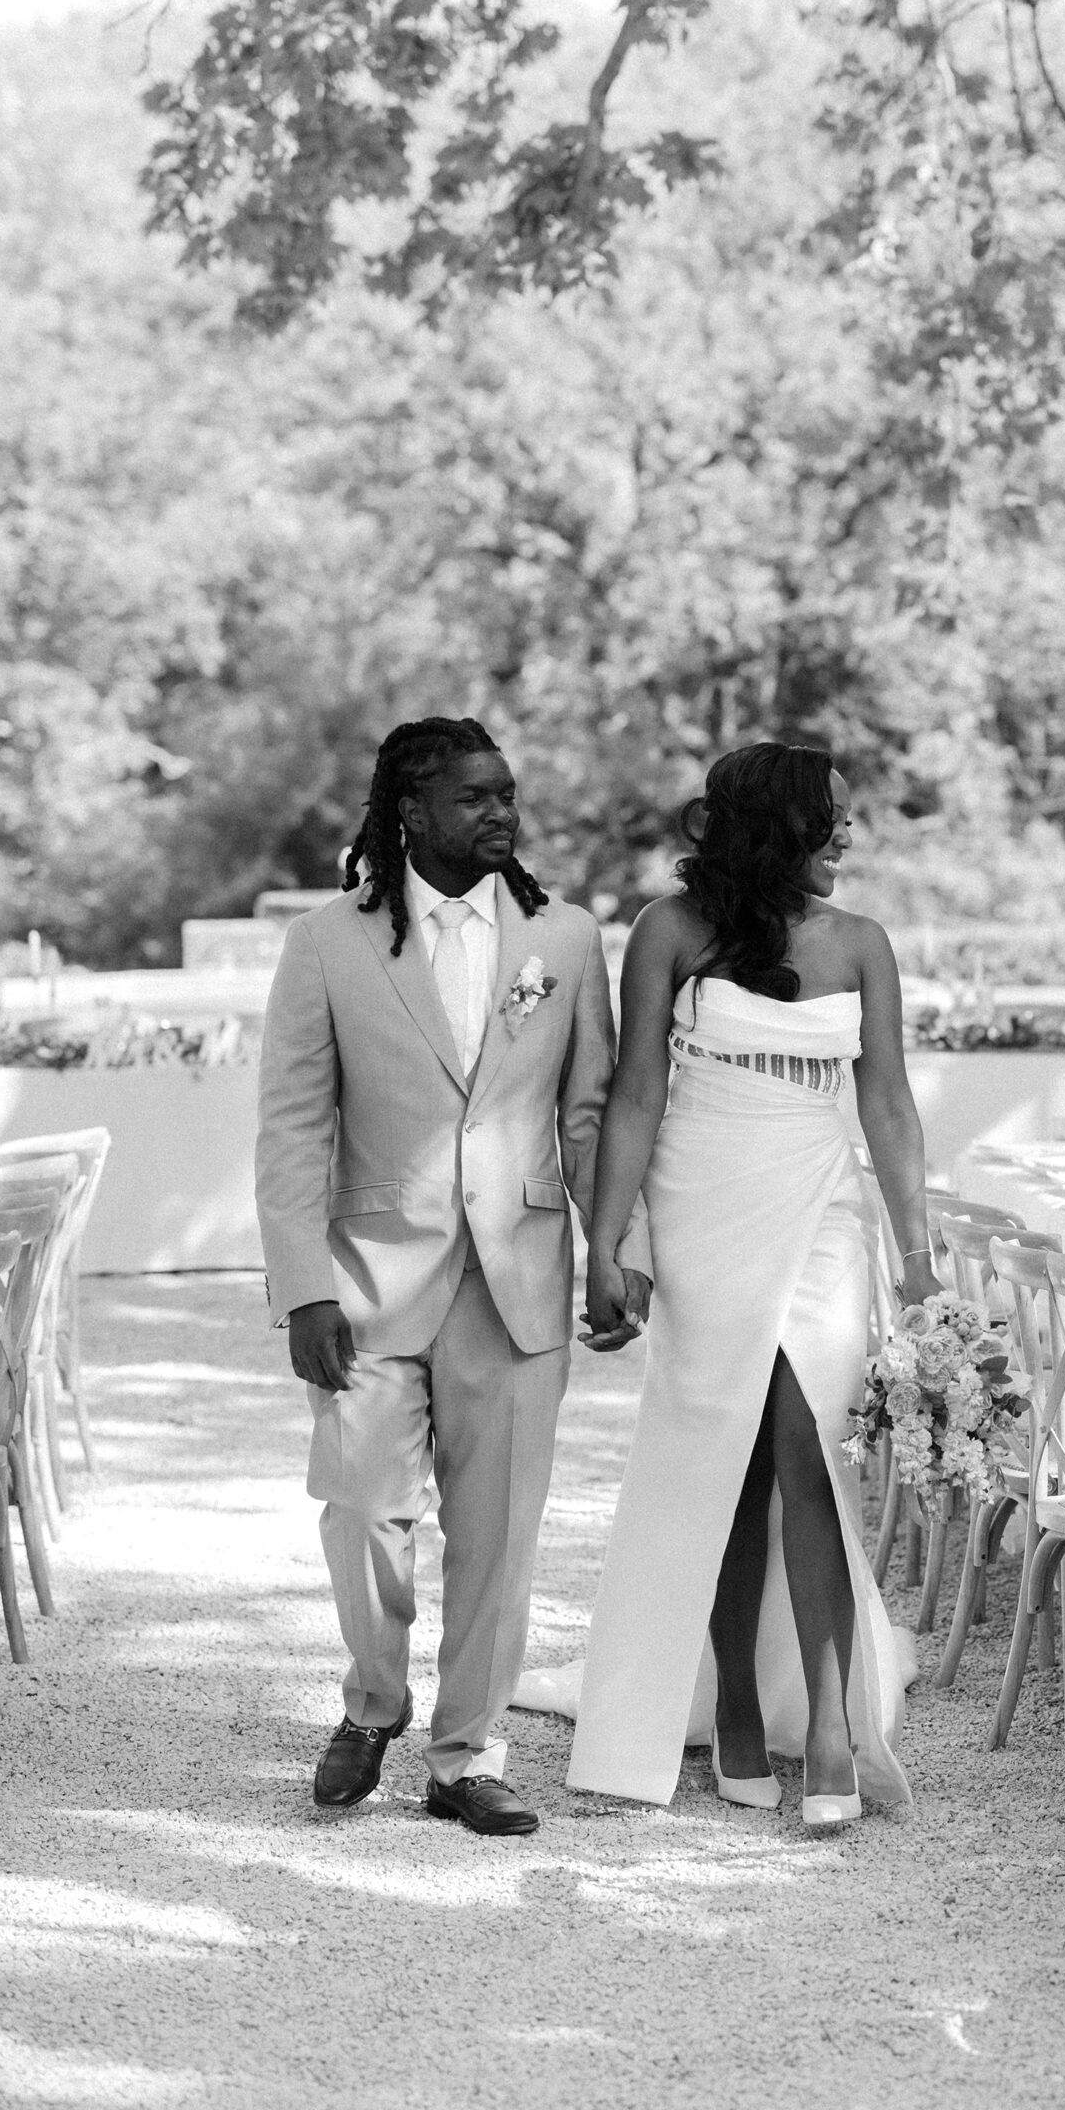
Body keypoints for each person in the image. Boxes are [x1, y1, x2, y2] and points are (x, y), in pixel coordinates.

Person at [255, 716, 649, 1835]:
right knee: (364, 1507)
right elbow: (291, 1126)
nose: (501, 815)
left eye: (508, 795)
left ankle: (465, 1756)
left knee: (499, 1535)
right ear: (410, 812)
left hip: (516, 1281)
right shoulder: (328, 942)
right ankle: (374, 1702)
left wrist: (619, 1251)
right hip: (368, 1283)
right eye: (475, 798)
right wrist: (302, 1286)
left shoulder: (564, 939)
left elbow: (585, 1115)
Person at [563, 743, 933, 1824]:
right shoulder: (670, 933)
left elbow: (892, 1109)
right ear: (783, 827)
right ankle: (730, 1703)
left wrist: (915, 1262)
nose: (850, 837)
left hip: (819, 1200)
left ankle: (828, 1727)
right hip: (702, 1199)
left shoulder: (863, 944)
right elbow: (635, 1094)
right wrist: (607, 1242)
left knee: (811, 1449)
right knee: (730, 1461)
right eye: (835, 817)